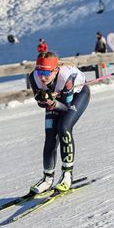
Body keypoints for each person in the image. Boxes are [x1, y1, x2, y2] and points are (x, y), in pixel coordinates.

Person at [28, 51, 90, 194]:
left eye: (46, 72)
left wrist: (52, 102)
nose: (42, 77)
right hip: (58, 100)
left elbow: (66, 108)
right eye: (39, 71)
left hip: (77, 96)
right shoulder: (34, 77)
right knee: (50, 136)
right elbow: (40, 102)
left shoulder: (66, 76)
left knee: (64, 127)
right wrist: (47, 102)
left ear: (55, 70)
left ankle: (67, 175)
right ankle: (47, 179)